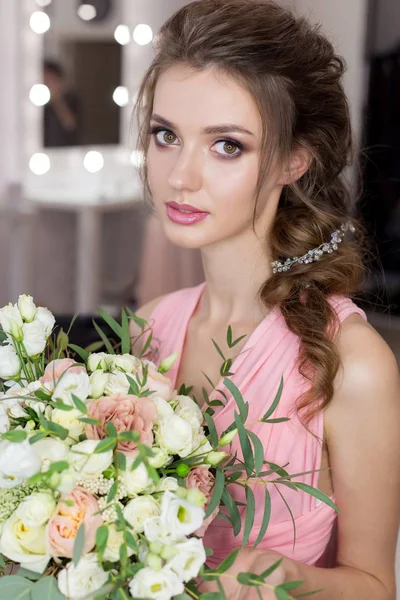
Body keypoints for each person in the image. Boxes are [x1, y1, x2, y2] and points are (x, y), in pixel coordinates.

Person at [130, 1, 400, 598]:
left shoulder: (352, 364)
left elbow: (376, 585)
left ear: (292, 160)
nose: (181, 176)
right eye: (166, 135)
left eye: (227, 145)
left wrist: (289, 579)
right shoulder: (152, 328)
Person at [43, 60, 80, 147]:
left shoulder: (71, 100)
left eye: (50, 79)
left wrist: (57, 100)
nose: (47, 83)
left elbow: (71, 126)